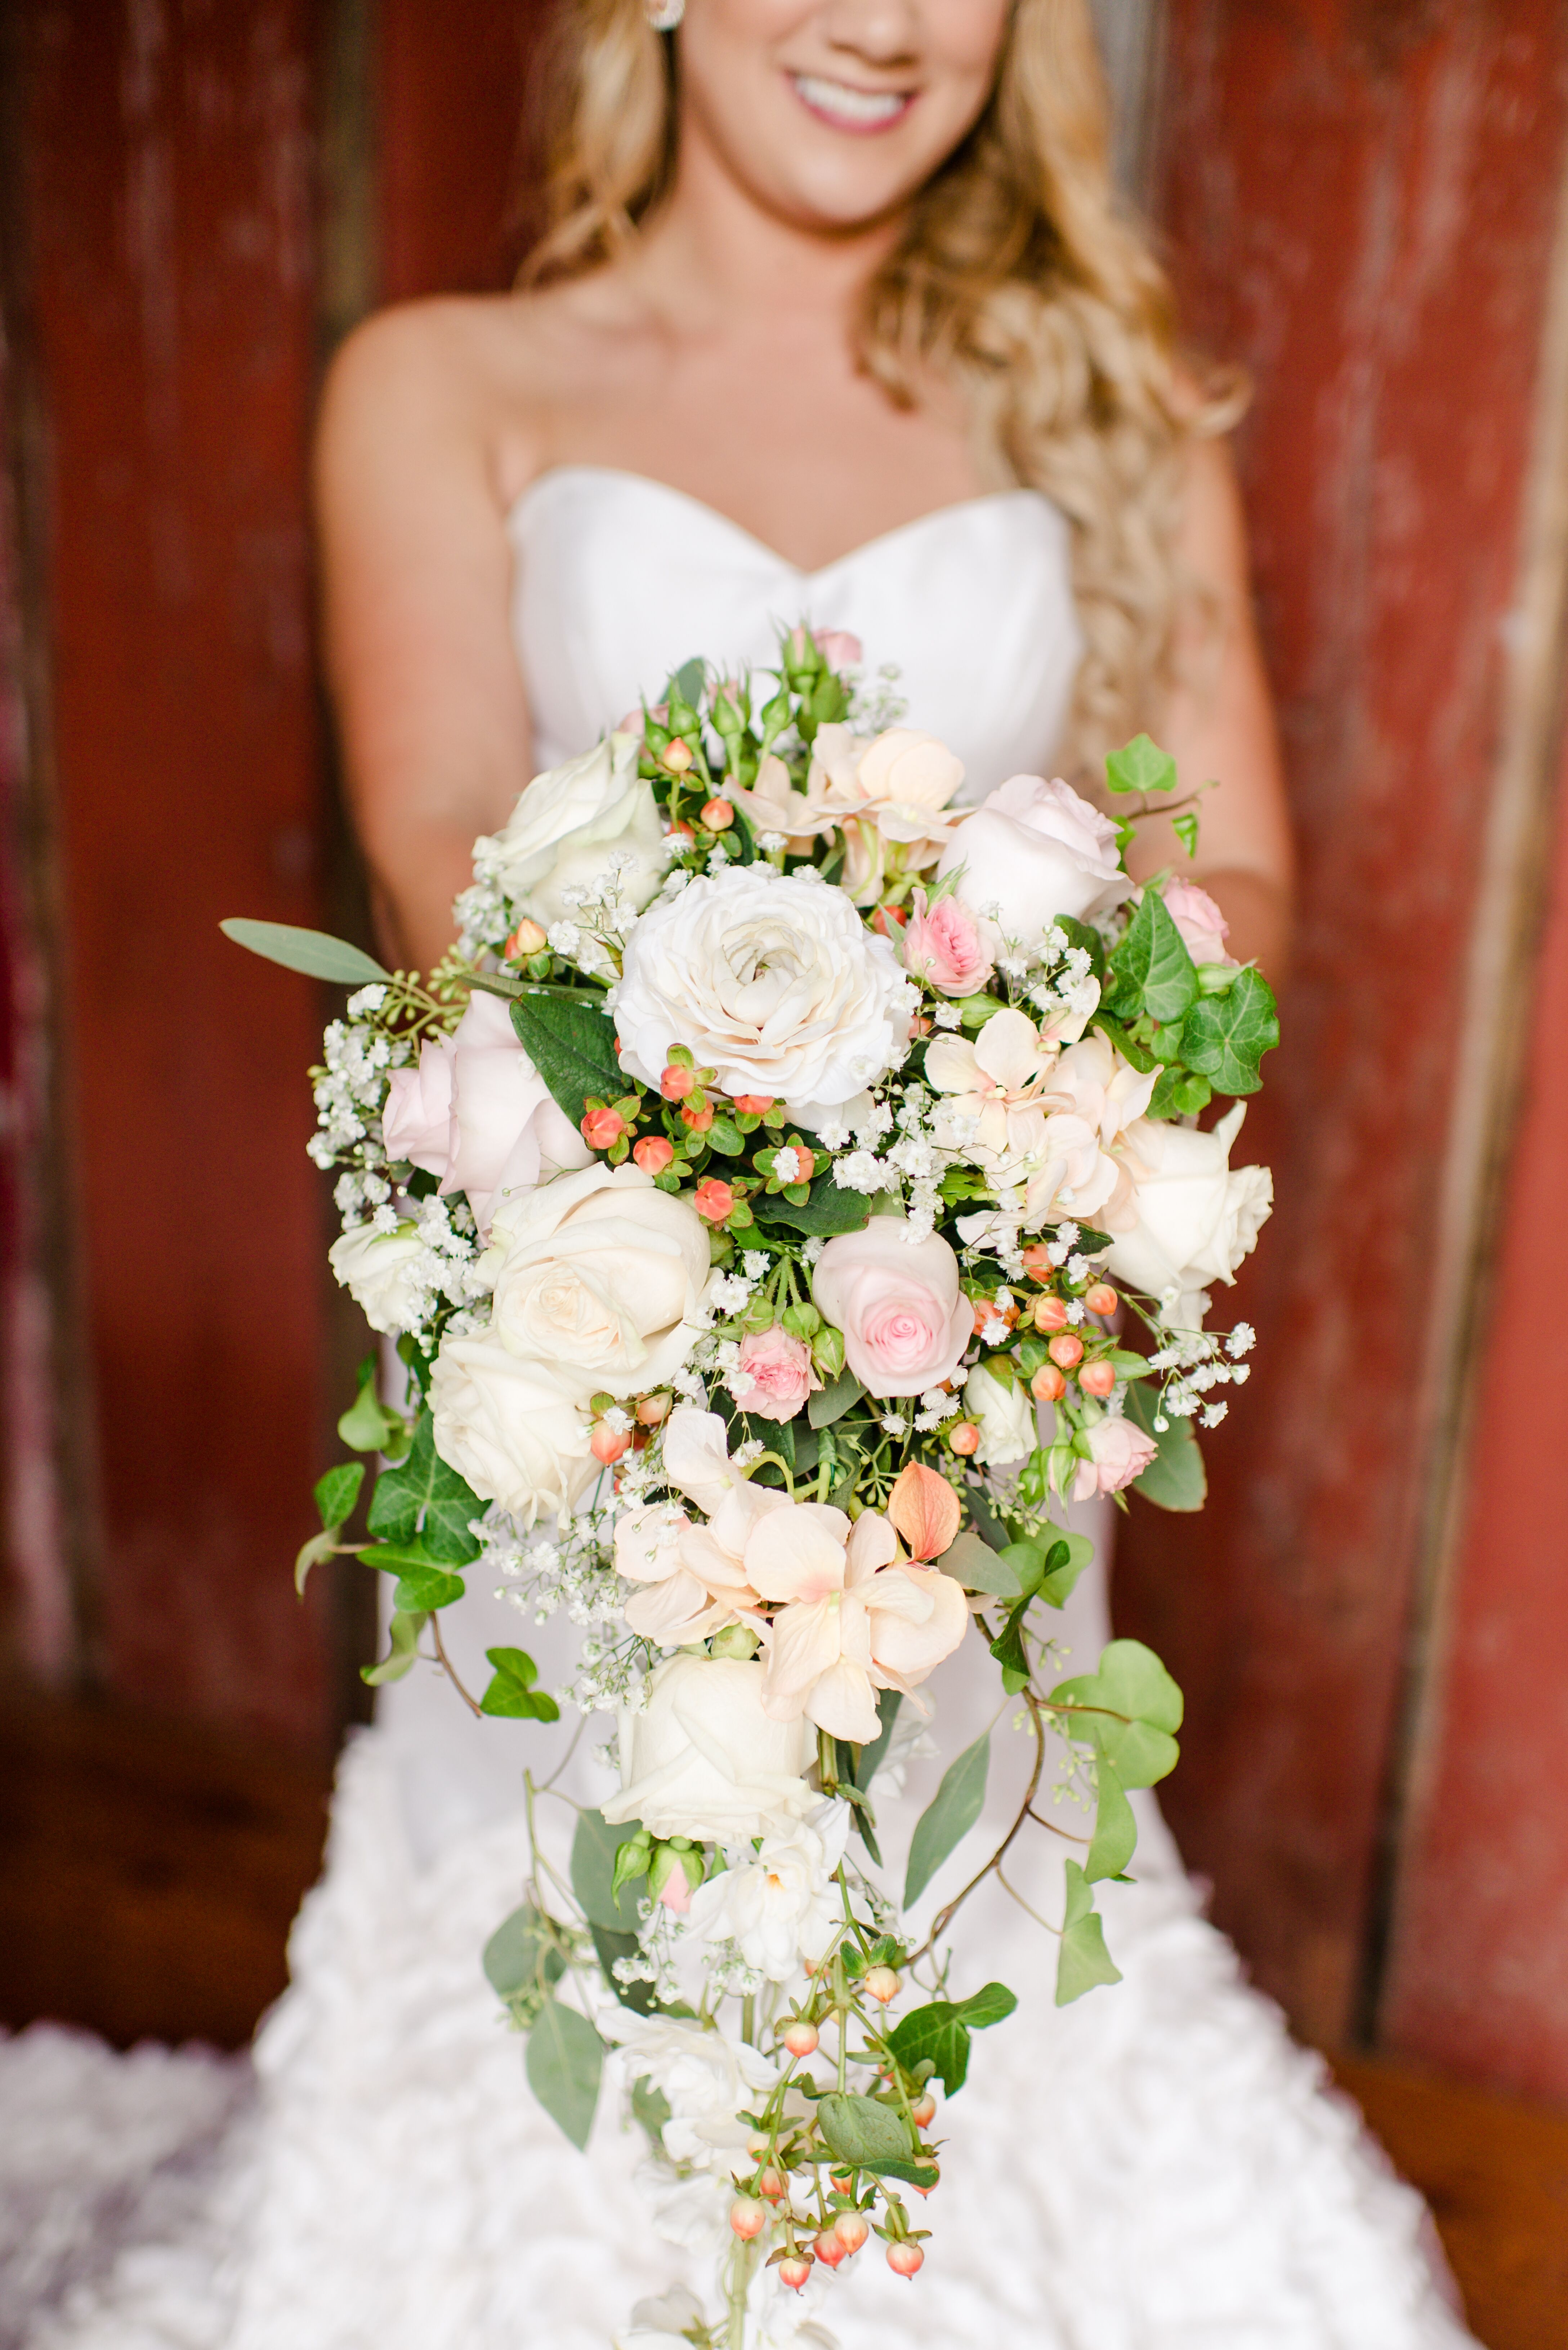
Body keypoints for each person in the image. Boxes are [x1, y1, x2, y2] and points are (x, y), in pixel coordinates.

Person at [24, 4, 1470, 2346]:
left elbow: (1254, 903)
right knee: (581, 1905)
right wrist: (738, 1160)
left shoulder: (1102, 406)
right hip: (600, 1305)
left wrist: (988, 1117)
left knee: (953, 1894)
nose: (888, 25)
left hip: (968, 1334)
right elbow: (434, 863)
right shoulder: (444, 381)